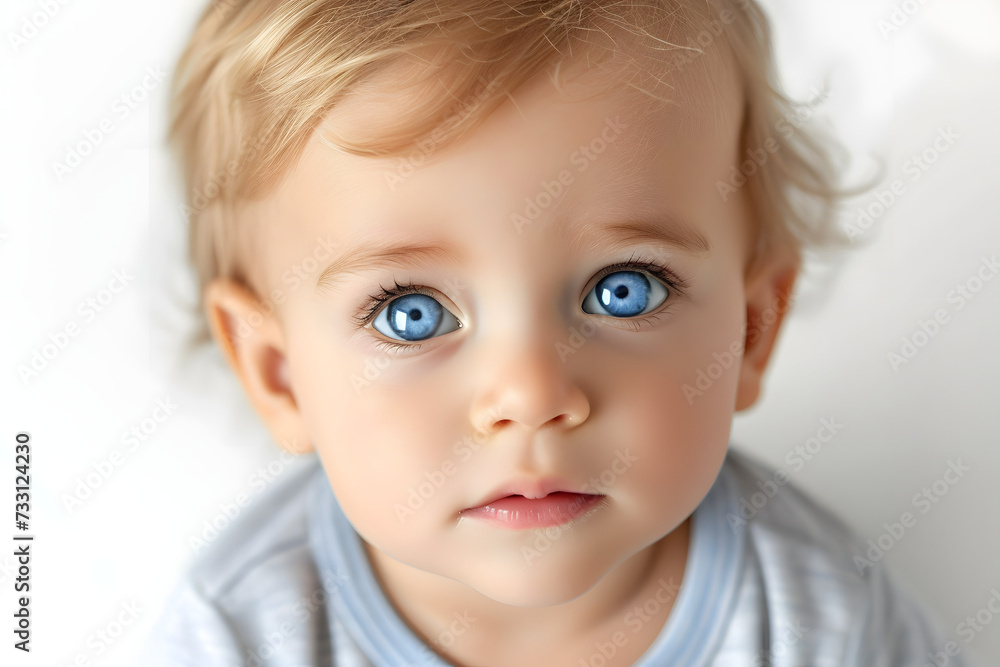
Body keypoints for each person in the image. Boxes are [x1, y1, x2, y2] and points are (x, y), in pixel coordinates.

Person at [142, 0, 979, 664]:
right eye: (412, 313)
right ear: (279, 372)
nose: (532, 395)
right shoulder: (243, 633)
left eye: (623, 290)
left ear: (752, 330)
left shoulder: (819, 616)